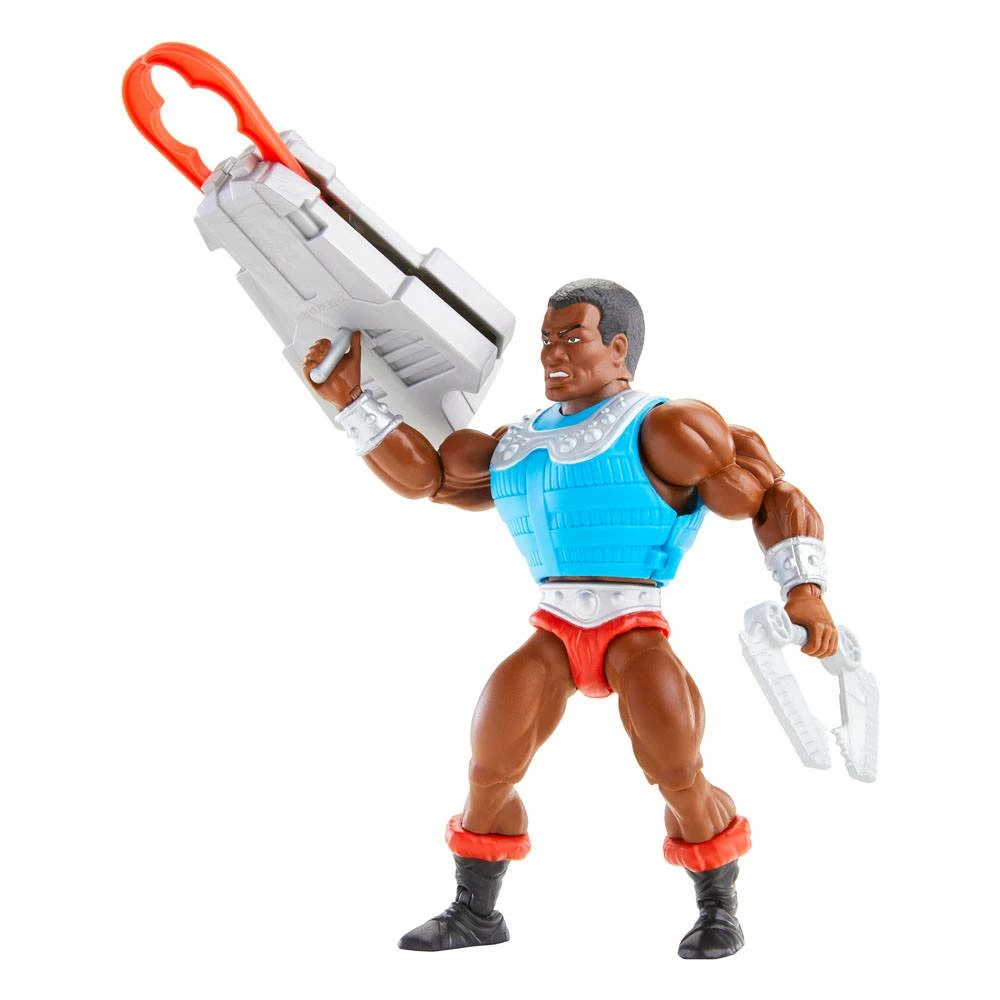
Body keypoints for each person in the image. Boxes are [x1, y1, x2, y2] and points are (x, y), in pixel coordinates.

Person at [304, 278, 838, 960]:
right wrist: (353, 402)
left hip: (634, 628)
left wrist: (805, 590)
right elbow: (432, 479)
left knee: (677, 771)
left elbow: (769, 495)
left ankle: (718, 907)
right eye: (547, 340)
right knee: (489, 765)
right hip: (554, 628)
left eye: (572, 338)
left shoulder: (667, 426)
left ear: (617, 348)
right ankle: (476, 912)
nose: (553, 354)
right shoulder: (517, 442)